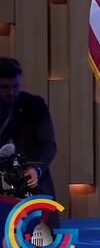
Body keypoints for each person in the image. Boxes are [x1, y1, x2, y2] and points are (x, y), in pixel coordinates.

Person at [0, 57, 57, 200]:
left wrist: (37, 169)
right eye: (5, 87)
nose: (11, 92)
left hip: (33, 180)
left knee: (41, 222)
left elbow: (49, 145)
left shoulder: (35, 105)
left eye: (15, 86)